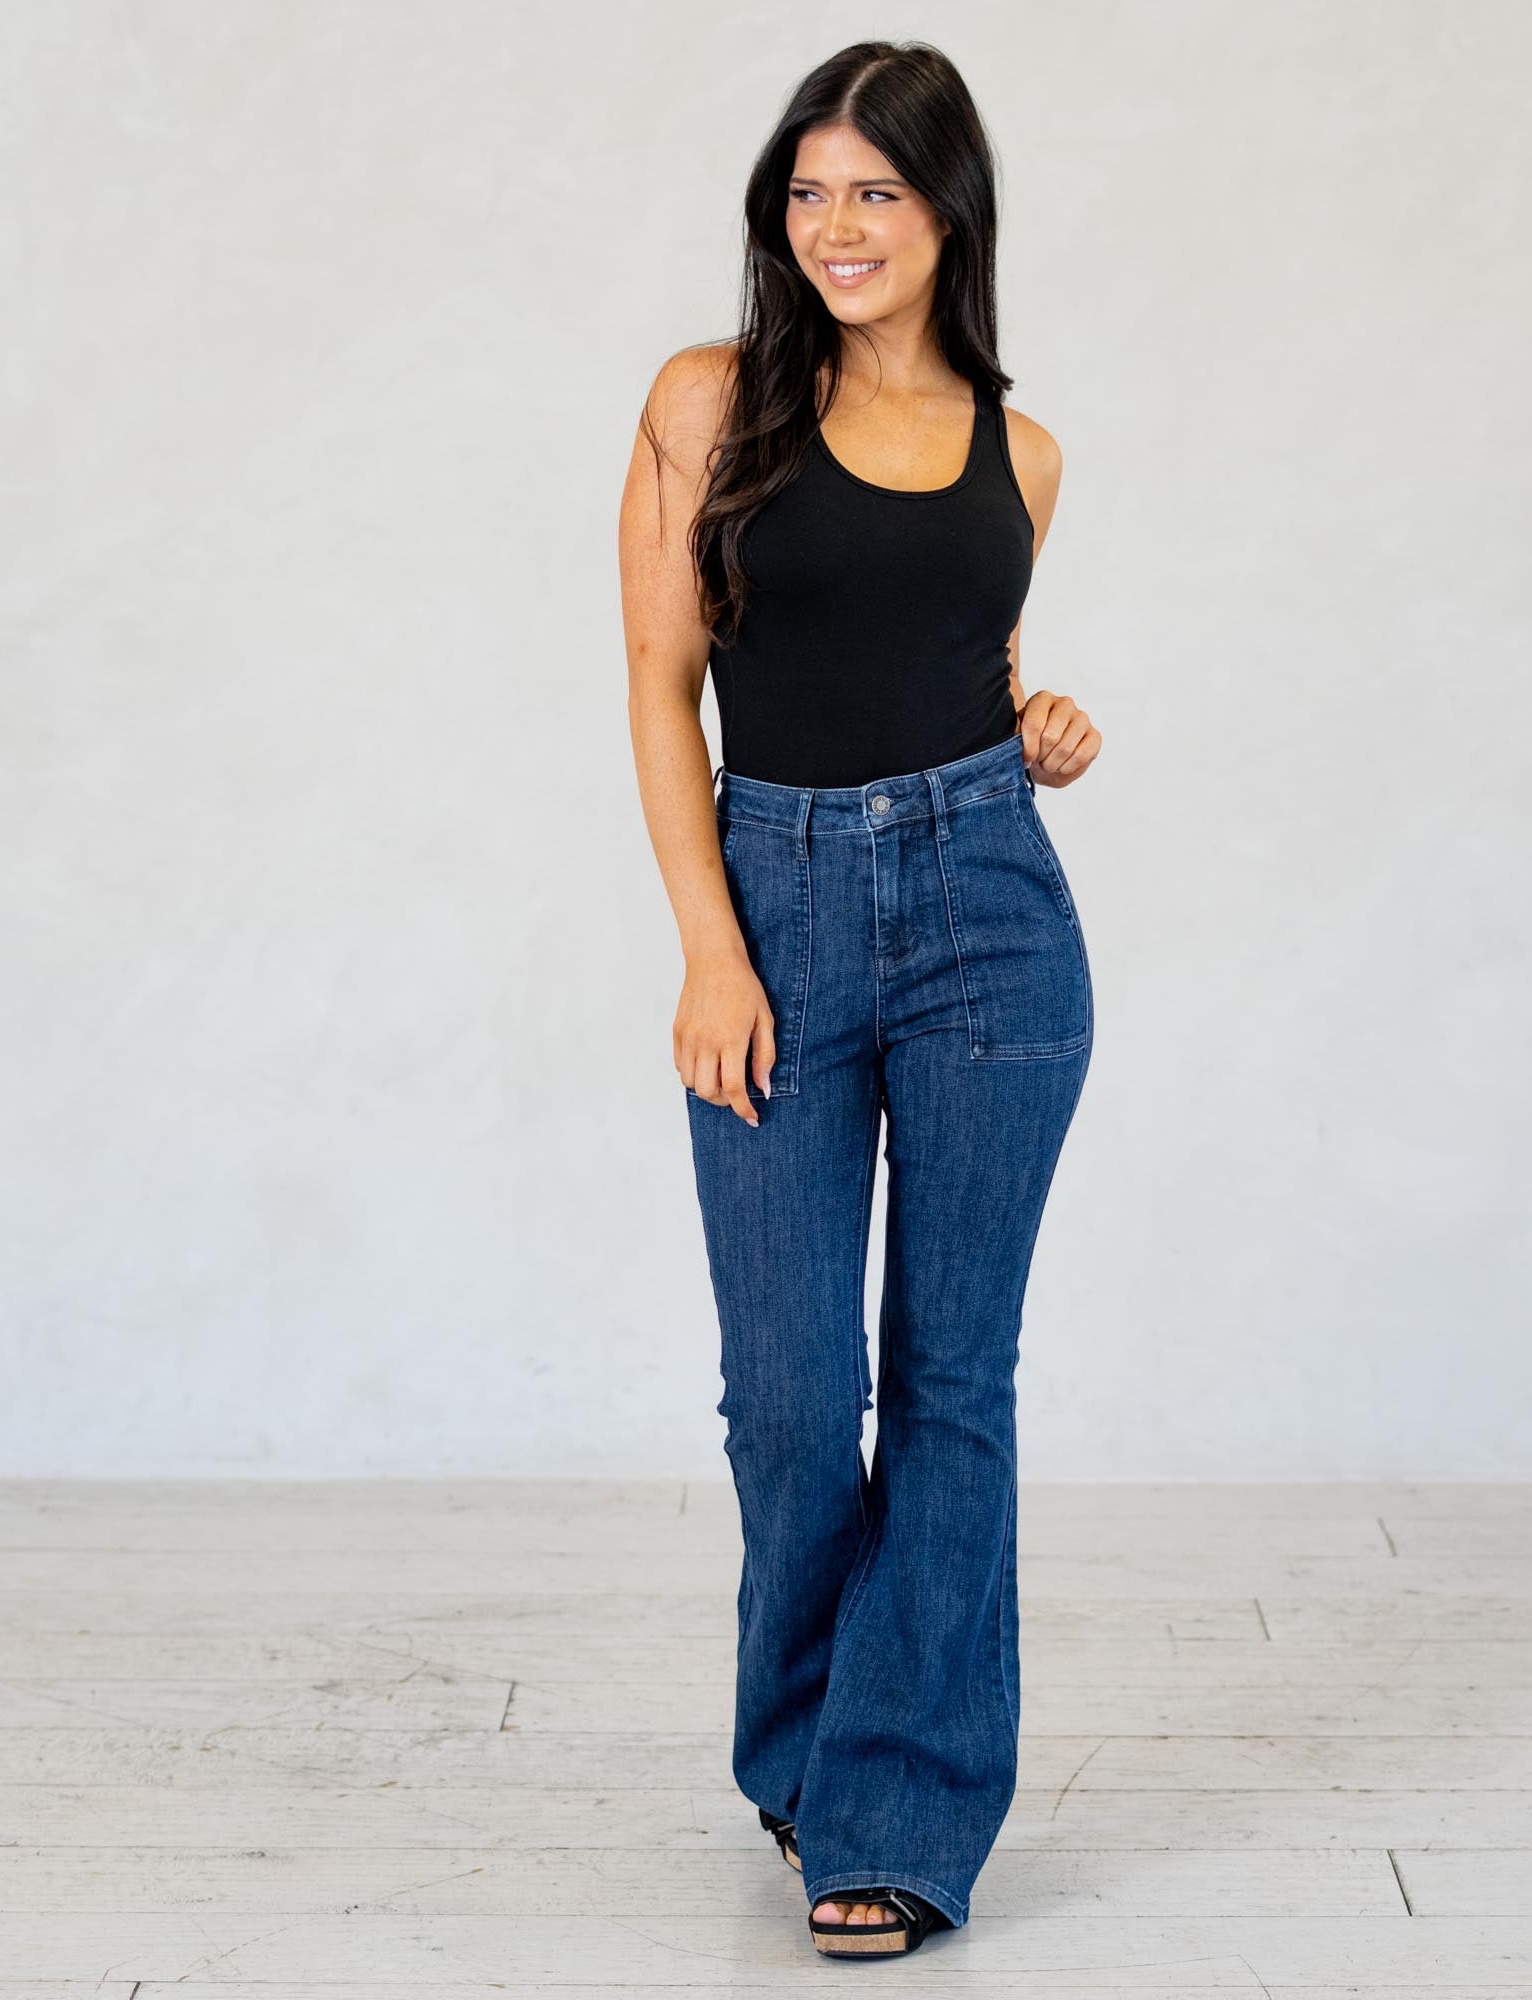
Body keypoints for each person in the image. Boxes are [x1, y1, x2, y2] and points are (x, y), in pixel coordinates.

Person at [618, 39, 1101, 1959]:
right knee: (797, 1400)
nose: (838, 226)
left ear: (946, 211)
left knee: (956, 1382)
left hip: (992, 911)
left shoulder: (1021, 453)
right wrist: (710, 945)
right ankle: (814, 1758)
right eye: (808, 191)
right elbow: (663, 686)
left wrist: (1040, 726)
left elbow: (966, 669)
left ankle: (895, 1816)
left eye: (876, 192)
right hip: (779, 905)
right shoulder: (706, 401)